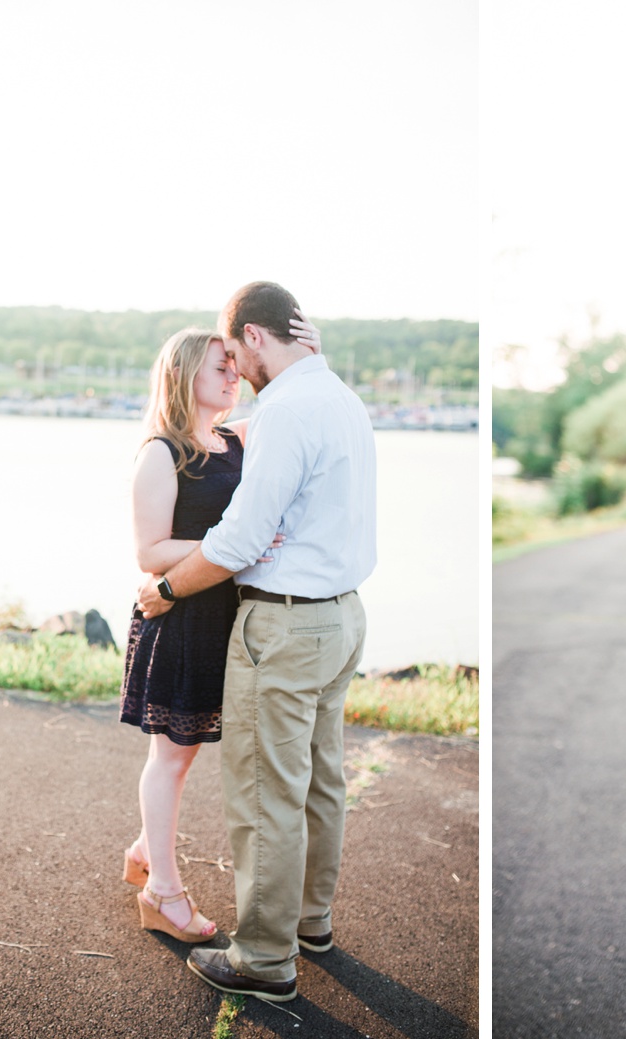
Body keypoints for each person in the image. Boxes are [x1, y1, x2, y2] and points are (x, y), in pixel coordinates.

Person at [135, 281, 375, 1004]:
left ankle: (265, 957)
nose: (240, 371)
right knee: (321, 780)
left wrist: (169, 590)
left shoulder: (287, 411)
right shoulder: (340, 399)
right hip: (342, 617)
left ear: (256, 337)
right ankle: (310, 922)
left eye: (239, 354)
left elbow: (237, 539)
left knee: (268, 792)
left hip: (287, 623)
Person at [118, 320, 317, 944]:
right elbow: (150, 552)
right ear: (183, 376)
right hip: (177, 620)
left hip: (223, 620)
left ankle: (144, 851)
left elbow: (295, 401)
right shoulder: (161, 452)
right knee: (171, 760)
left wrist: (312, 356)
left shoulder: (234, 438)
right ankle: (162, 893)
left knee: (187, 757)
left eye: (235, 366)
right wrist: (235, 546)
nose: (234, 376)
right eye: (220, 368)